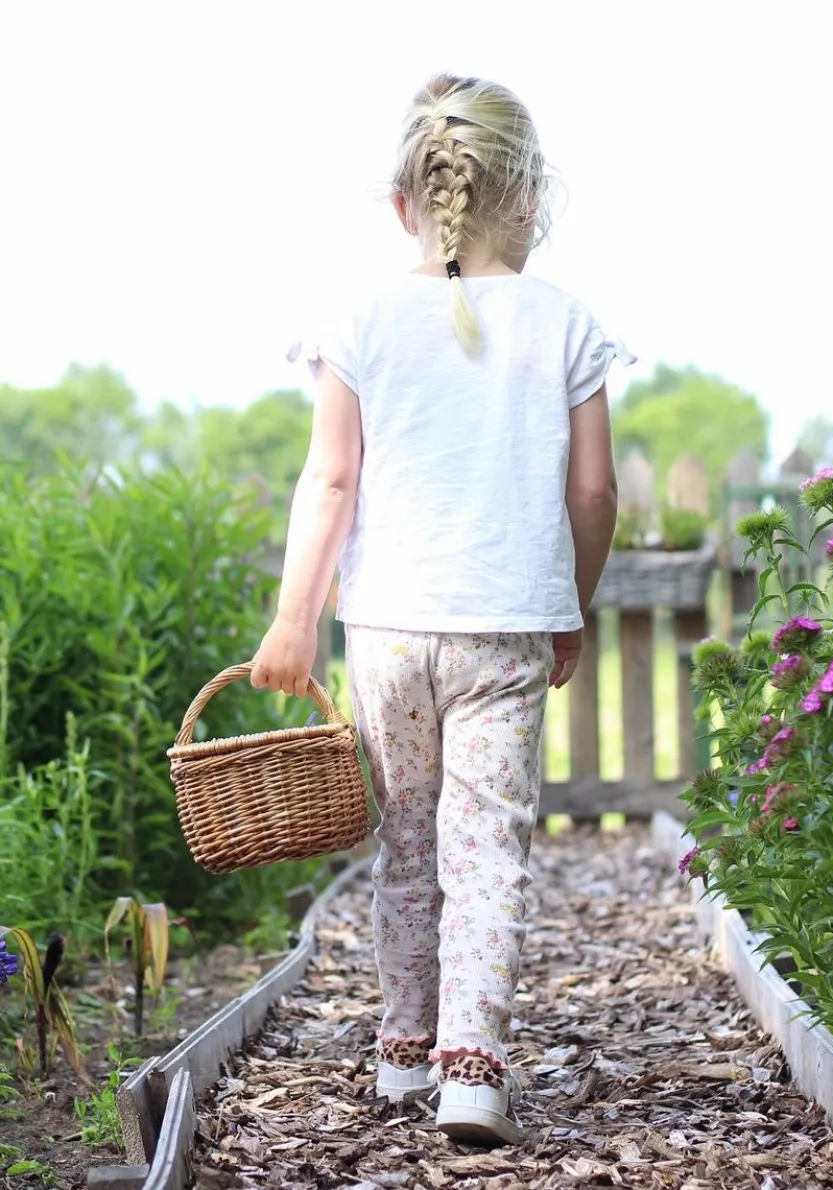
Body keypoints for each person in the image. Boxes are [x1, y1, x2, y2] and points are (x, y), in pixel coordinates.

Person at [250, 73, 627, 1146]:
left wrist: (293, 619)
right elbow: (594, 495)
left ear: (404, 202)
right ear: (530, 195)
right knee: (485, 845)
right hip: (503, 627)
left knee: (405, 843)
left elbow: (328, 482)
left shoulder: (359, 319)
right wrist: (569, 603)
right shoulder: (566, 323)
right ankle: (473, 1067)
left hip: (387, 632)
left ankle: (400, 1053)